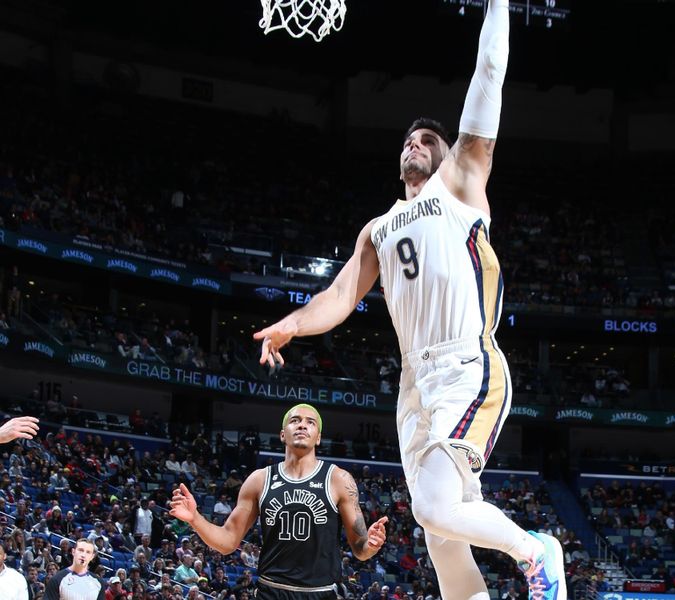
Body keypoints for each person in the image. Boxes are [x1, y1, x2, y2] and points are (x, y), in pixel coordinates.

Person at [251, 2, 564, 600]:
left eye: (427, 139)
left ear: (448, 154)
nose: (415, 144)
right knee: (439, 529)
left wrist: (498, 5)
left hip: (467, 364)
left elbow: (490, 70)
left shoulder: (462, 184)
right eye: (408, 140)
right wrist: (290, 325)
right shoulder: (379, 226)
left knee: (434, 505)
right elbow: (341, 294)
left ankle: (535, 550)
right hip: (414, 385)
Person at [170, 403, 388, 599]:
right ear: (283, 434)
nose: (302, 425)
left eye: (310, 422)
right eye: (295, 420)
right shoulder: (259, 480)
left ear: (318, 437)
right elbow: (228, 542)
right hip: (270, 591)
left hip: (320, 593)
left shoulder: (338, 479)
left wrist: (372, 544)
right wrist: (195, 518)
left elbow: (360, 549)